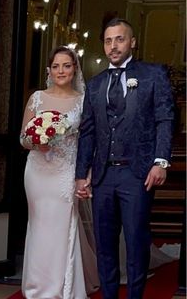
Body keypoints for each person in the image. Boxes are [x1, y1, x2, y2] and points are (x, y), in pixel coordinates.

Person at [75, 18, 174, 299]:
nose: (113, 45)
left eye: (119, 39)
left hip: (138, 174)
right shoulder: (95, 85)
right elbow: (88, 132)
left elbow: (165, 119)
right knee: (105, 247)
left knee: (136, 243)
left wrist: (160, 161)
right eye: (108, 40)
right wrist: (82, 174)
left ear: (132, 42)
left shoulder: (153, 75)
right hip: (104, 176)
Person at [20, 45, 98, 298]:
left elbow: (89, 140)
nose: (61, 71)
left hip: (66, 171)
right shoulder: (37, 98)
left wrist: (85, 175)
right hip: (37, 172)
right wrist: (37, 141)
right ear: (49, 70)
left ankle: (62, 287)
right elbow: (23, 138)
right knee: (39, 225)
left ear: (74, 68)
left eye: (66, 65)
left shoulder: (83, 100)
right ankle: (37, 287)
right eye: (56, 66)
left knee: (62, 225)